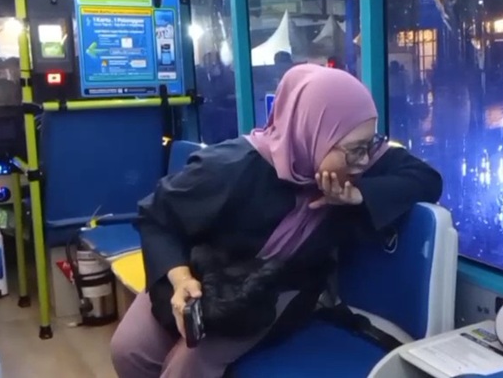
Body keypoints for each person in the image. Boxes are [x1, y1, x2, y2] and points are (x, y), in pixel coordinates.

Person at [110, 64, 443, 378]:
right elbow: (157, 216)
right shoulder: (230, 167)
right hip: (204, 267)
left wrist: (359, 195)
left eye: (369, 145)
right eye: (356, 150)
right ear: (312, 132)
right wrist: (181, 279)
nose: (365, 160)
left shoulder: (358, 160)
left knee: (192, 361)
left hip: (283, 285)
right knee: (130, 350)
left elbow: (427, 178)